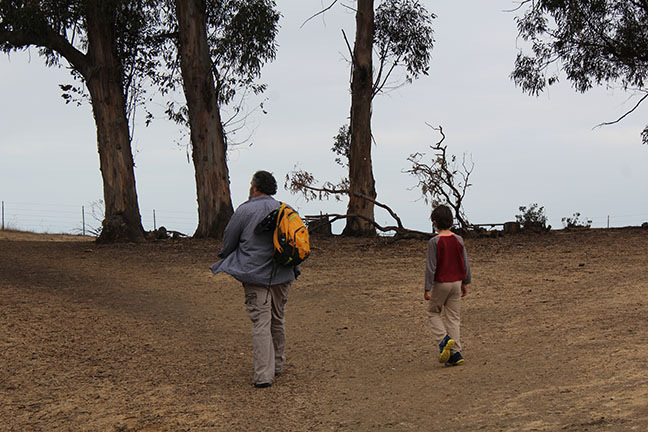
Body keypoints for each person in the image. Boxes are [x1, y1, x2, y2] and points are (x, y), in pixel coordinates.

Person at [210, 171, 298, 388]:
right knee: (278, 318)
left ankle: (263, 375)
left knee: (261, 321)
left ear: (255, 187)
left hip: (255, 275)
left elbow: (229, 240)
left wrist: (227, 257)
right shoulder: (286, 209)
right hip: (283, 273)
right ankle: (277, 365)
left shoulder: (245, 210)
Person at [424, 205, 472, 366]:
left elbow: (431, 267)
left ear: (435, 223)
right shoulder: (458, 239)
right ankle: (455, 353)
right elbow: (465, 263)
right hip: (457, 283)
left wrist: (427, 288)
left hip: (441, 283)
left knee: (433, 312)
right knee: (453, 317)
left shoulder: (434, 242)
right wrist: (465, 282)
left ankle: (443, 340)